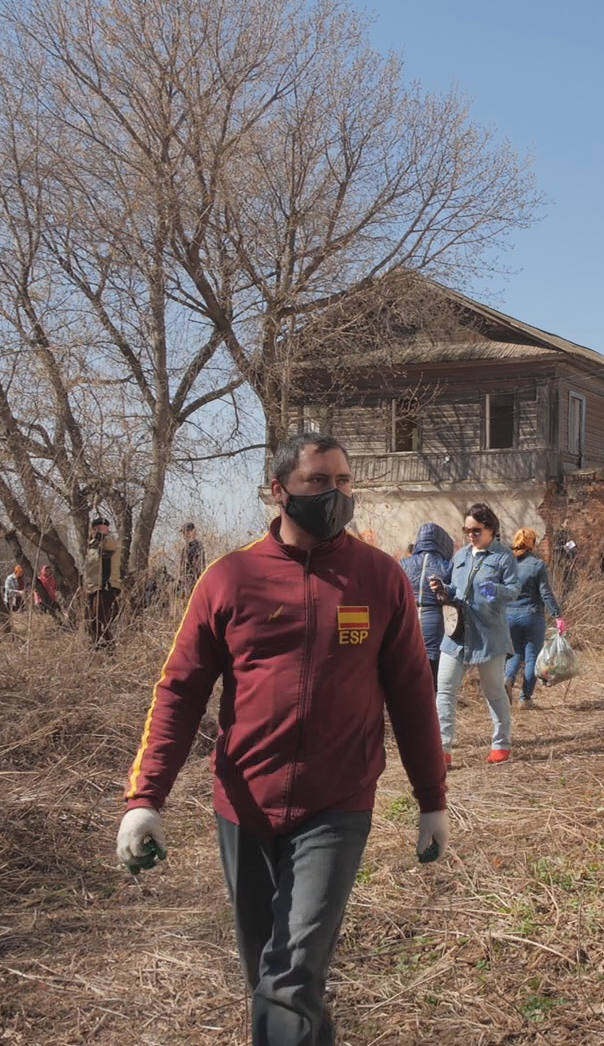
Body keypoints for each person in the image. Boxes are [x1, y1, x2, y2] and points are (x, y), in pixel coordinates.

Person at [116, 432, 448, 1046]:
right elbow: (180, 692)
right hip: (244, 803)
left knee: (290, 974)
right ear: (279, 490)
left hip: (337, 801)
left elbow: (410, 693)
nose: (336, 494)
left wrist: (432, 799)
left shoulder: (378, 579)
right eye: (319, 481)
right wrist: (145, 799)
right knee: (268, 973)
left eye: (344, 481)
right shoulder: (229, 578)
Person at [430, 503, 521, 764]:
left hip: (488, 636)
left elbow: (514, 590)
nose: (471, 535)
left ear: (490, 529)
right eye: (466, 530)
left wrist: (494, 590)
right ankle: (442, 749)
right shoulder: (460, 557)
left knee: (493, 691)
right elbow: (455, 592)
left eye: (476, 530)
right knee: (445, 690)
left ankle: (501, 744)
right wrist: (442, 588)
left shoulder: (503, 557)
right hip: (456, 634)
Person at [503, 528, 565, 705]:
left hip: (509, 617)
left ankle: (508, 679)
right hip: (532, 616)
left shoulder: (507, 564)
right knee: (532, 658)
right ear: (532, 543)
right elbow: (545, 593)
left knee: (514, 654)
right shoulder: (537, 565)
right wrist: (557, 615)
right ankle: (526, 698)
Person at [399, 523, 455, 674]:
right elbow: (453, 595)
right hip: (435, 622)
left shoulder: (403, 564)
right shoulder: (448, 566)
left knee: (407, 667)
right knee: (431, 670)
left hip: (408, 620)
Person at [83, 517, 124, 648]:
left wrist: (100, 536)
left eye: (101, 528)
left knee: (99, 621)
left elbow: (110, 545)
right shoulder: (91, 545)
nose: (97, 530)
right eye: (95, 528)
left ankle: (110, 649)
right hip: (92, 589)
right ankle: (99, 647)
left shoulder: (110, 542)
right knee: (91, 622)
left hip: (106, 588)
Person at [180, 523, 206, 595]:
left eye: (187, 532)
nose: (185, 535)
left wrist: (197, 578)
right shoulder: (185, 548)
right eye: (184, 532)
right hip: (186, 580)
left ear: (193, 532)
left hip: (194, 580)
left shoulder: (197, 546)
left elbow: (199, 565)